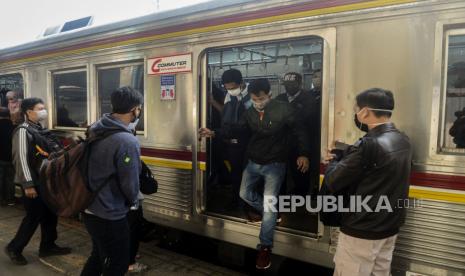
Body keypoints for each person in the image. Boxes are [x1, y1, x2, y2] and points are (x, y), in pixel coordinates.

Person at [200, 78, 310, 270]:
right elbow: (238, 128)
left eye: (260, 98)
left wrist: (303, 154)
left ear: (269, 95)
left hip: (275, 163)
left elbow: (300, 131)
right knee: (244, 194)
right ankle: (271, 214)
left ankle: (265, 247)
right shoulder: (250, 112)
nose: (257, 101)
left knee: (268, 204)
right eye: (254, 98)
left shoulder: (284, 109)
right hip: (253, 161)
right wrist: (215, 133)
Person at [323, 88, 412, 276]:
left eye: (356, 109)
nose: (356, 113)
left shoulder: (367, 146)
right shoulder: (403, 140)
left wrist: (332, 160)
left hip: (361, 229)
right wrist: (348, 151)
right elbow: (378, 167)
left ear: (364, 112)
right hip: (389, 227)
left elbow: (333, 180)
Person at [81, 86, 142, 276]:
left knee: (98, 255)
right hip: (110, 213)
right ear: (134, 109)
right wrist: (134, 202)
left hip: (89, 206)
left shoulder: (96, 128)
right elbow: (130, 183)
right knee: (118, 264)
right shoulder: (126, 140)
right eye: (139, 108)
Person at [5, 98, 71, 266]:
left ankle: (48, 246)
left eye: (44, 108)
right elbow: (20, 159)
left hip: (46, 182)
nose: (44, 111)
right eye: (40, 108)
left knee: (50, 214)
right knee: (33, 217)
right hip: (33, 183)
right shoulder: (22, 131)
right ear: (28, 112)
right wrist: (28, 185)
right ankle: (14, 247)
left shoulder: (39, 129)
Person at [212, 69, 252, 208]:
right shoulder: (228, 96)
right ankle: (236, 200)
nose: (230, 90)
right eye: (227, 88)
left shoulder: (252, 96)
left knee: (249, 175)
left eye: (233, 87)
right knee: (235, 173)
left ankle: (248, 202)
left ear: (241, 83)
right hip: (231, 142)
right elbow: (226, 115)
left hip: (248, 143)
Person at [276, 72, 320, 196]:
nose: (289, 87)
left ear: (300, 84)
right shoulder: (279, 99)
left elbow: (307, 124)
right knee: (281, 175)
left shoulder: (310, 99)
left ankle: (300, 203)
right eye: (286, 85)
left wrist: (304, 152)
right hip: (282, 144)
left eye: (292, 84)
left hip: (302, 143)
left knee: (300, 174)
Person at [0, 107, 15, 206]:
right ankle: (10, 199)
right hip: (11, 157)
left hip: (0, 157)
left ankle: (1, 199)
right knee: (10, 179)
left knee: (0, 178)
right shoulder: (15, 127)